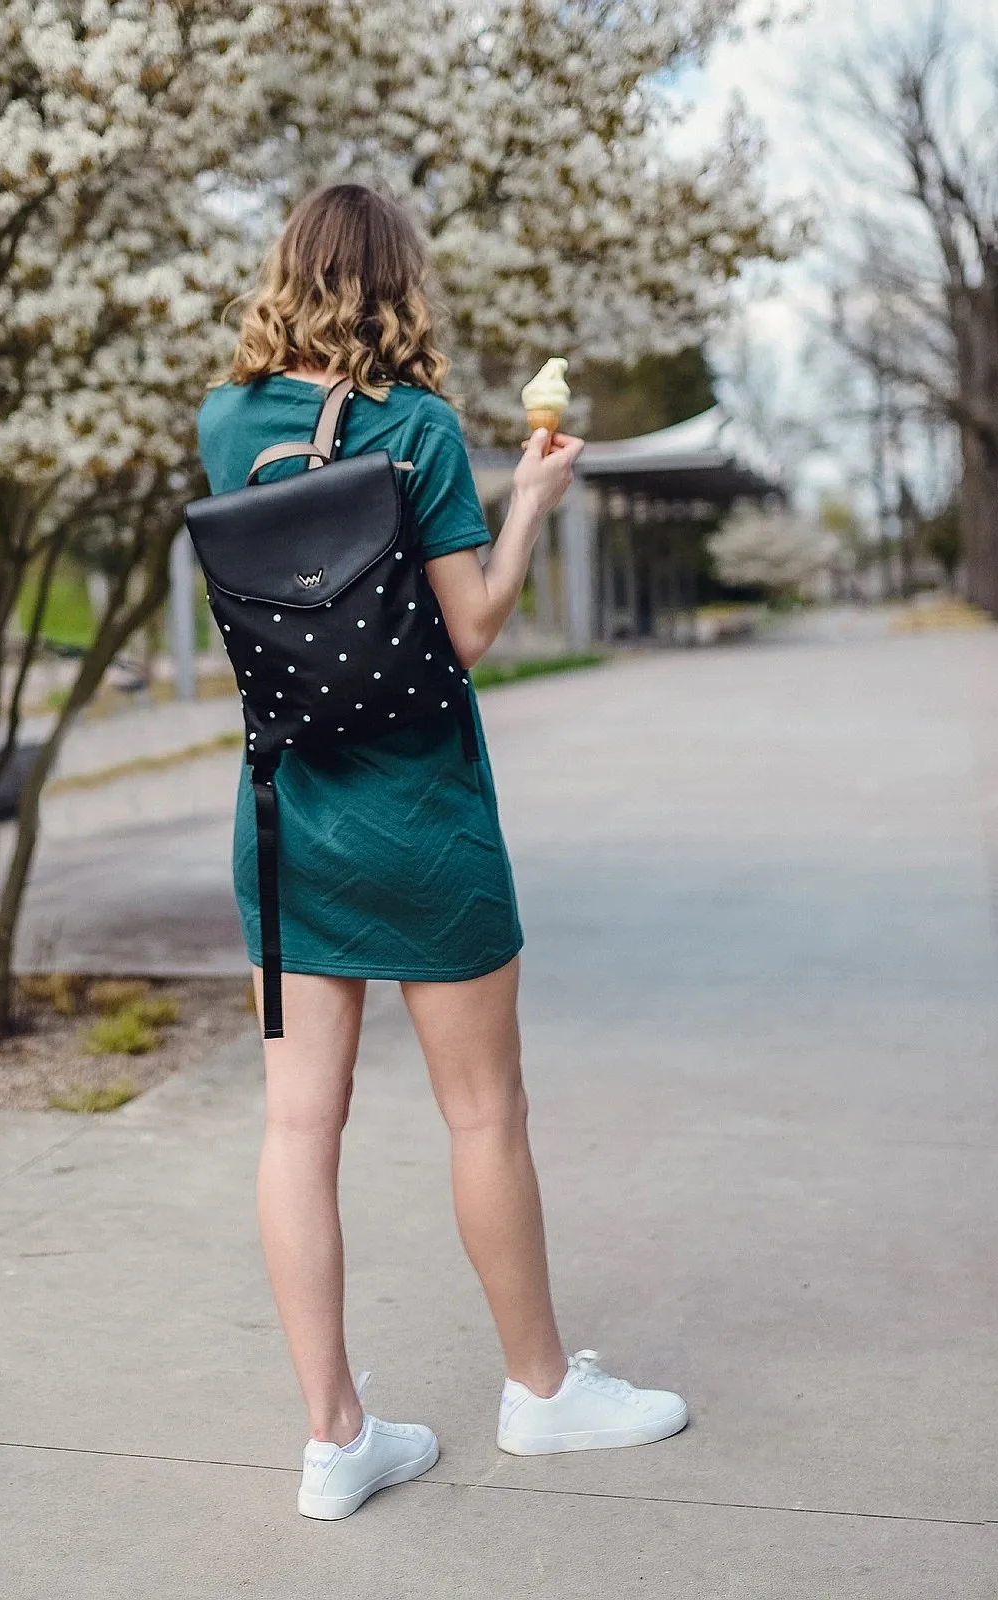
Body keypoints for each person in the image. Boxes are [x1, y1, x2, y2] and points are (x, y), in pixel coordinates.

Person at [197, 184, 687, 1522]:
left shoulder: (224, 421)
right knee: (484, 1116)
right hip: (424, 827)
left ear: (287, 276)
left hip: (286, 828)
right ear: (397, 284)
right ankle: (540, 1393)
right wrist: (526, 495)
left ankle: (333, 1437)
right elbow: (470, 630)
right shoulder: (417, 427)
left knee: (298, 1128)